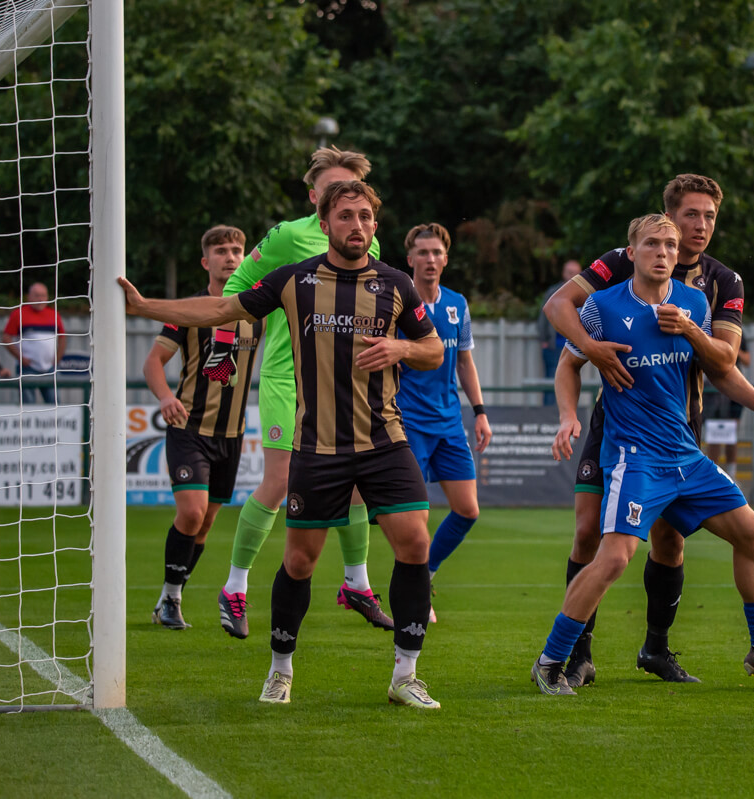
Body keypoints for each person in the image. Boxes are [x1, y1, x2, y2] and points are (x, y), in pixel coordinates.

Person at [119, 179, 446, 709]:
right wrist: (146, 307)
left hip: (385, 440)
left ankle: (406, 674)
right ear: (323, 224)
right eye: (345, 216)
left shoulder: (395, 285)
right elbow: (222, 311)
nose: (357, 226)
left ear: (375, 226)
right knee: (299, 561)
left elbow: (433, 348)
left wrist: (401, 347)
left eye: (365, 217)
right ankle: (279, 670)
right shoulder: (294, 281)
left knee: (415, 543)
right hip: (317, 447)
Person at [533, 214, 754, 695]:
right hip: (635, 457)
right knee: (614, 558)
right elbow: (568, 364)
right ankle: (551, 660)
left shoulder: (693, 302)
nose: (663, 251)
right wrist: (567, 417)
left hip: (687, 456)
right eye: (652, 244)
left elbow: (721, 370)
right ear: (632, 252)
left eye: (669, 244)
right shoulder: (603, 306)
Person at [211, 147, 392, 641]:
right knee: (280, 480)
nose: (347, 203)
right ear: (315, 196)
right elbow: (239, 285)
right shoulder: (289, 236)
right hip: (286, 381)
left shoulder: (366, 242)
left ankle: (357, 583)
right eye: (335, 191)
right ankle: (234, 587)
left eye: (354, 193)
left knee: (355, 482)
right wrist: (222, 348)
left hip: (341, 386)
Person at [144, 226, 263, 629]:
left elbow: (231, 368)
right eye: (220, 250)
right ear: (205, 261)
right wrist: (164, 397)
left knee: (207, 522)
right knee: (192, 514)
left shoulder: (257, 311)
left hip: (231, 435)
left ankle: (166, 597)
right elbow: (152, 362)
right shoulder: (190, 311)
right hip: (189, 429)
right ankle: (173, 599)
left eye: (236, 250)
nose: (230, 257)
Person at [394, 223, 492, 621]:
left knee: (467, 510)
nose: (430, 259)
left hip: (450, 422)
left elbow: (465, 361)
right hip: (408, 422)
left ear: (446, 258)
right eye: (423, 252)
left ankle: (426, 573)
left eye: (437, 252)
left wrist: (480, 411)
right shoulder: (399, 302)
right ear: (410, 259)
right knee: (414, 519)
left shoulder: (457, 304)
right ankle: (411, 593)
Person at [2, 282, 65, 404]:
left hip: (50, 368)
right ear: (29, 297)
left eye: (43, 295)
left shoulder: (54, 314)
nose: (41, 299)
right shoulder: (19, 314)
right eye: (37, 295)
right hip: (27, 368)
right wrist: (21, 358)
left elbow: (62, 338)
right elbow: (5, 339)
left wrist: (57, 359)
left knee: (54, 402)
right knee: (28, 404)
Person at [704, 336, 751, 476]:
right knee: (714, 434)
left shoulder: (739, 332)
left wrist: (731, 349)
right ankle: (713, 474)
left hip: (734, 389)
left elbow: (747, 360)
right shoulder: (708, 327)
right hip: (713, 389)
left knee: (731, 433)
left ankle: (732, 473)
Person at [538, 260, 582, 405]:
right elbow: (543, 317)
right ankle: (548, 418)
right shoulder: (553, 292)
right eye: (569, 272)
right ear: (563, 273)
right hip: (554, 345)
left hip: (575, 346)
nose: (572, 276)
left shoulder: (584, 293)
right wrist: (544, 340)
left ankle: (569, 415)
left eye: (575, 273)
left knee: (571, 381)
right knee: (551, 381)